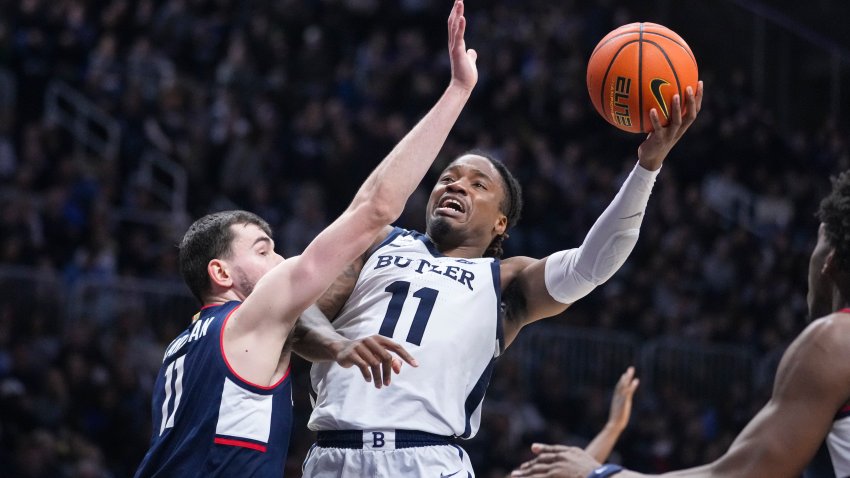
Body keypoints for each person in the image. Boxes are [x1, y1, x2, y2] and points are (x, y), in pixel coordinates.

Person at [293, 16, 704, 473]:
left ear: (500, 224)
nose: (456, 185)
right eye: (448, 178)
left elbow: (593, 265)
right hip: (333, 453)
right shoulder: (378, 243)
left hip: (429, 459)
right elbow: (297, 311)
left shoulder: (506, 281)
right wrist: (336, 345)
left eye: (477, 184)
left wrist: (647, 168)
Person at [133, 1, 479, 475]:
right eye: (263, 249)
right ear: (221, 272)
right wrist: (458, 91)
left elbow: (301, 331)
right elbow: (374, 209)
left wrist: (336, 345)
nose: (280, 260)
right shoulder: (249, 318)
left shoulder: (187, 344)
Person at [509, 170, 850, 478]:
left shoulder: (834, 341)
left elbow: (738, 476)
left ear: (829, 261)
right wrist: (611, 432)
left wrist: (601, 475)